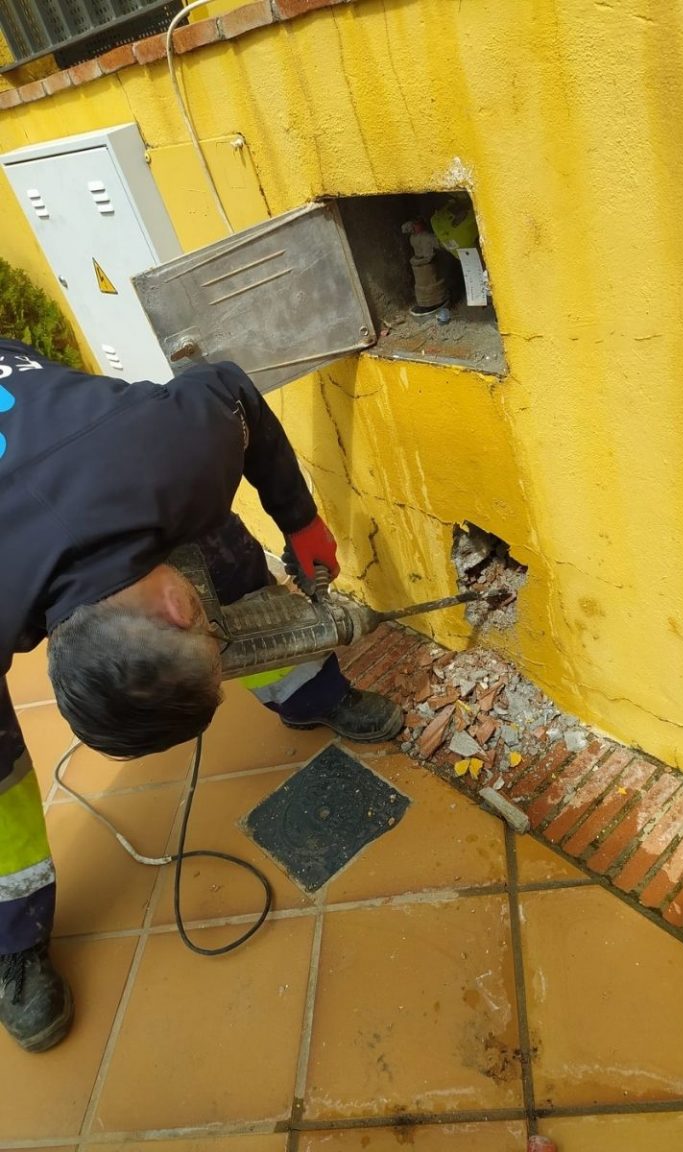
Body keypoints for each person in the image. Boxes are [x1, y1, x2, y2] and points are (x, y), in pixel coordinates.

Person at [0, 338, 402, 1053]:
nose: (223, 642)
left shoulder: (177, 454)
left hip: (98, 455)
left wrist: (300, 519)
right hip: (63, 483)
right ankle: (13, 937)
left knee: (225, 553)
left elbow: (230, 385)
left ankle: (312, 692)